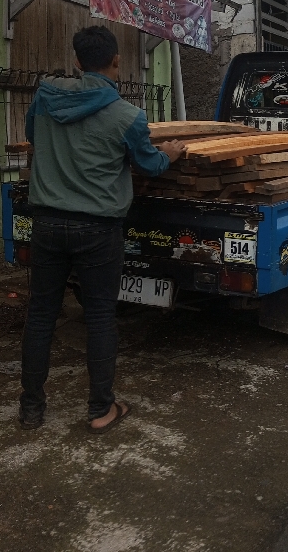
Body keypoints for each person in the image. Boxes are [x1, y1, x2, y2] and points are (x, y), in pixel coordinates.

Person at [19, 26, 183, 433]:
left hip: (47, 223)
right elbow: (148, 165)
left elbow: (32, 135)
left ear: (77, 61)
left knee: (40, 316)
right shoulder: (127, 116)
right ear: (116, 61)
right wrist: (169, 154)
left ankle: (31, 409)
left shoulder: (45, 97)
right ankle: (100, 411)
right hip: (98, 230)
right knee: (99, 316)